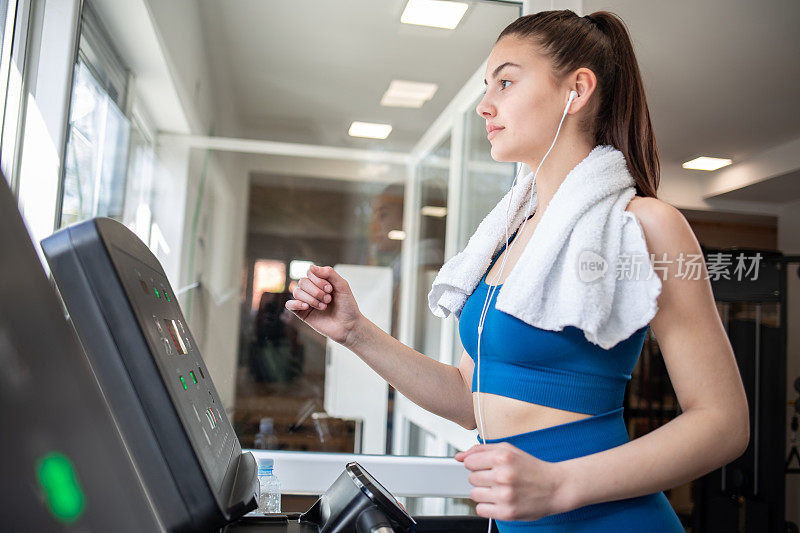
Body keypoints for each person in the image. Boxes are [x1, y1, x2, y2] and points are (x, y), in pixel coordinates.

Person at [285, 9, 749, 532]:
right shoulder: (505, 234)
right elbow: (470, 398)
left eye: (505, 82)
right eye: (488, 86)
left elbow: (723, 423)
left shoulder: (645, 225)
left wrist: (560, 484)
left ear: (576, 90)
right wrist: (354, 332)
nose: (486, 105)